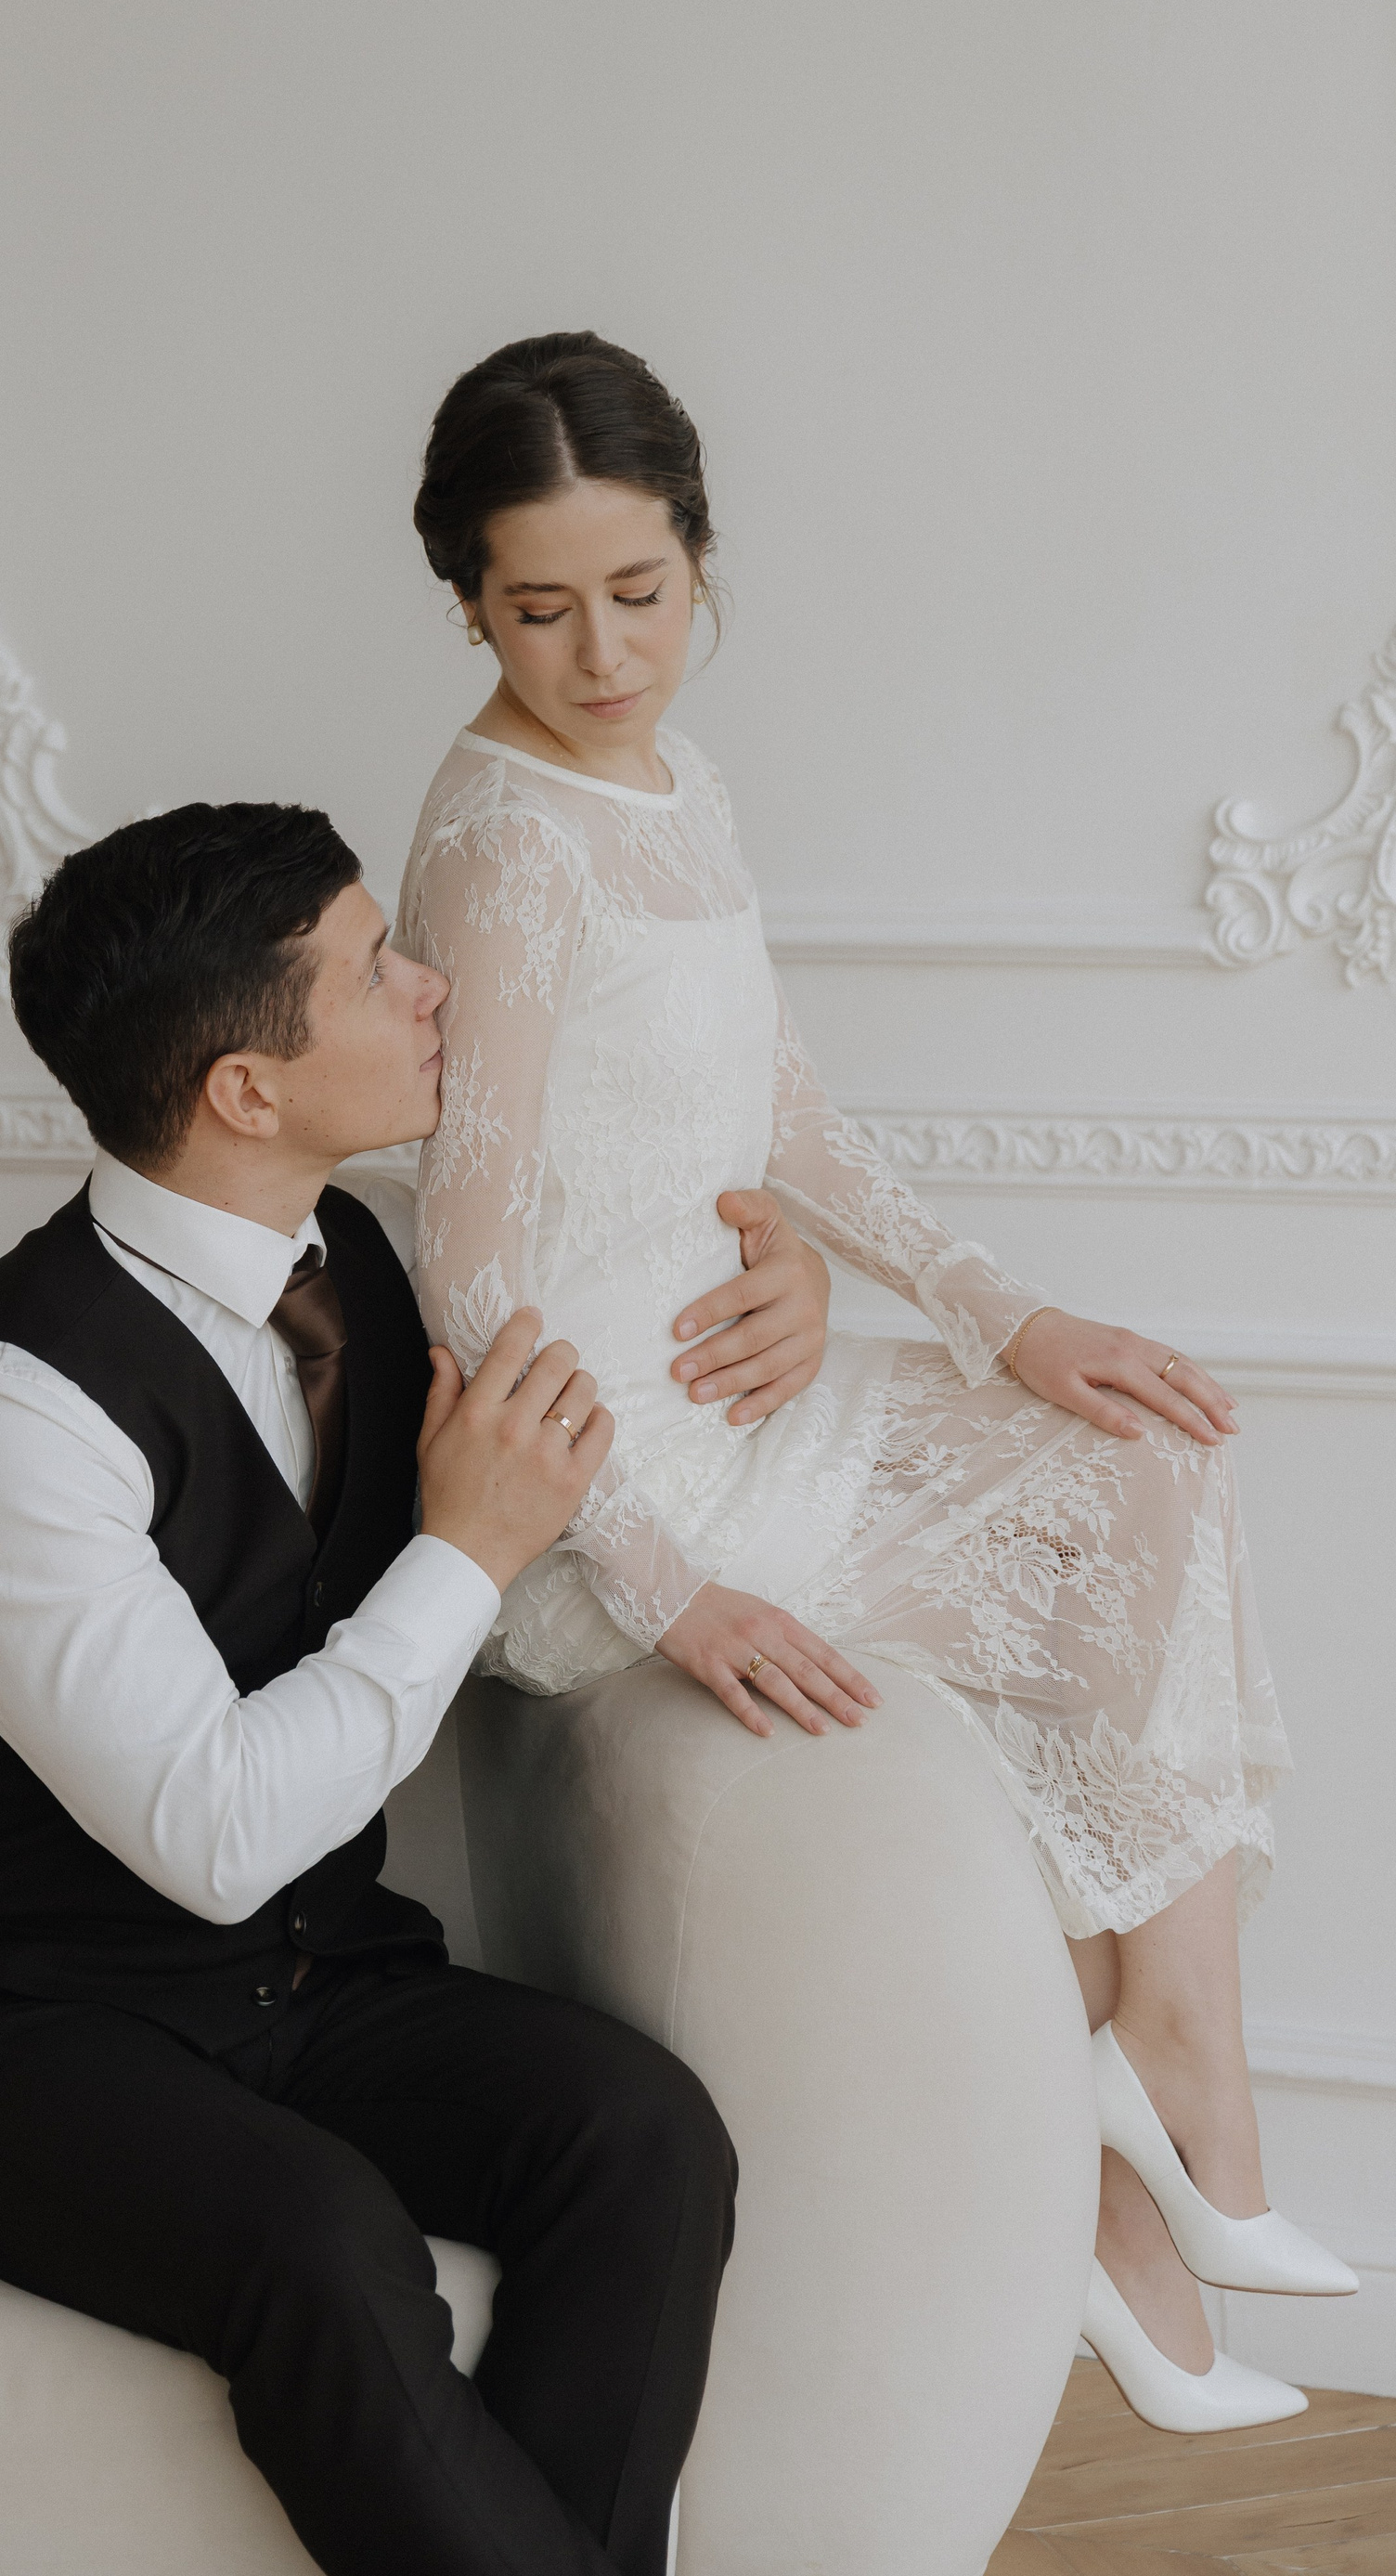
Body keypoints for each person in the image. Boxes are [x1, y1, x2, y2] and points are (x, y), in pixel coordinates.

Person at [397, 330, 1357, 2437]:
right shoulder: (505, 840)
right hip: (617, 1492)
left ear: (701, 555)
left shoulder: (677, 779)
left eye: (640, 592)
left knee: (1144, 1455)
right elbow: (468, 1265)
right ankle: (1162, 2148)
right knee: (1111, 1544)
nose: (602, 654)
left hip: (748, 1404)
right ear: (467, 602)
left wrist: (1006, 1311)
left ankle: (1160, 2100)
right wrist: (664, 1584)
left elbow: (782, 1106)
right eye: (540, 608)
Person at [0, 797, 835, 2576]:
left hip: (315, 1981)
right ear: (246, 1088)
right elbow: (214, 1832)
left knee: (643, 2137)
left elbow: (633, 1315)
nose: (435, 985)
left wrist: (794, 1281)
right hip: (20, 2036)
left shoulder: (365, 1257)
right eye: (378, 969)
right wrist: (465, 1550)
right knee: (323, 2237)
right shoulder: (1, 1410)